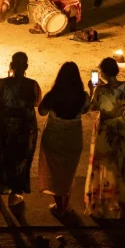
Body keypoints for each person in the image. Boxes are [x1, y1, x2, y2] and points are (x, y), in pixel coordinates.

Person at [0, 52, 41, 205]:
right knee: (21, 157)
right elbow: (37, 103)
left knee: (0, 155)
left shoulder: (2, 83)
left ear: (11, 66)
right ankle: (15, 194)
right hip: (25, 125)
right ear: (26, 67)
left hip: (4, 124)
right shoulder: (33, 84)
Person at [38, 62, 90, 217]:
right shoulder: (83, 96)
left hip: (54, 137)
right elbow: (86, 110)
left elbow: (41, 111)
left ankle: (59, 206)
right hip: (73, 138)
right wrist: (92, 90)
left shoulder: (52, 95)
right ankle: (66, 205)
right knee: (69, 171)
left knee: (55, 171)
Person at [85, 57, 125, 219]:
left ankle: (101, 204)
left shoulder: (101, 90)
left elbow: (92, 107)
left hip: (105, 128)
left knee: (103, 163)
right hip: (120, 126)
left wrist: (92, 90)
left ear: (103, 73)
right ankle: (124, 208)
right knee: (121, 165)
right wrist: (124, 124)